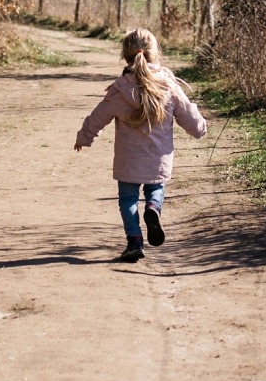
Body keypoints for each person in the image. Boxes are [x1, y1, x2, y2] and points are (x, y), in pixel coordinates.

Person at [73, 28, 207, 262]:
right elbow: (190, 118)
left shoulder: (119, 90)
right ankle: (153, 208)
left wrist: (84, 137)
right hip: (158, 158)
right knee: (155, 188)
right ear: (155, 53)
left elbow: (97, 117)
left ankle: (134, 241)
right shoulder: (168, 86)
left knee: (128, 199)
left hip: (128, 160)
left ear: (125, 56)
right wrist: (200, 129)